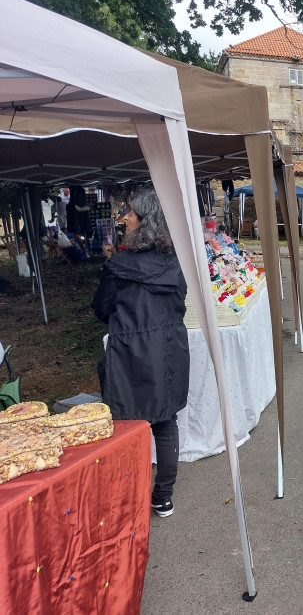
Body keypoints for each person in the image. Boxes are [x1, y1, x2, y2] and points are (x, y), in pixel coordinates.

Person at [90, 188, 188, 518]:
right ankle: (162, 497)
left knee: (127, 423)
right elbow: (180, 305)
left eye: (131, 212)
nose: (125, 217)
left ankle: (131, 499)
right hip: (167, 348)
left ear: (146, 221)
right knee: (164, 422)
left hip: (131, 351)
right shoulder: (176, 263)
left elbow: (101, 308)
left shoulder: (118, 265)